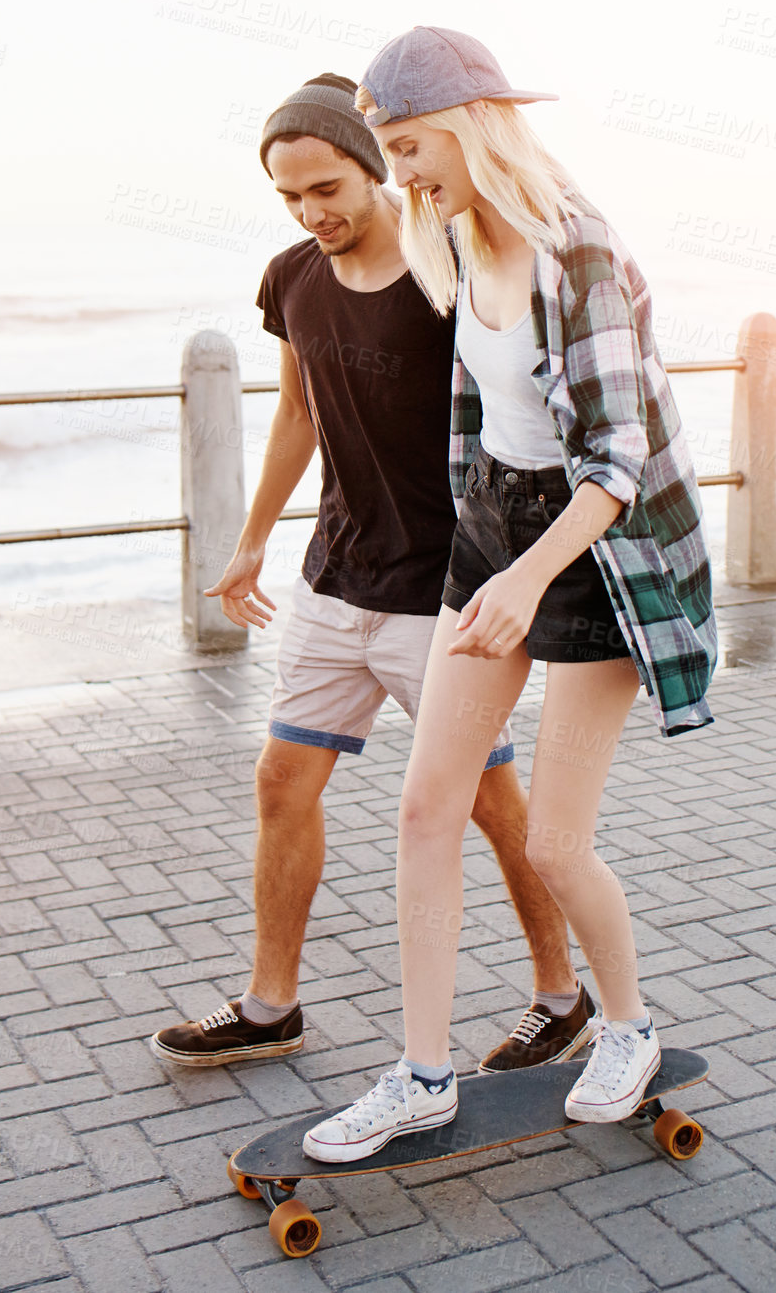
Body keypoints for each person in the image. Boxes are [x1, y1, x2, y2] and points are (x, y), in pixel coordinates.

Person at [302, 29, 717, 1162]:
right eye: (387, 150)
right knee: (425, 806)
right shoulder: (450, 233)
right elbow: (480, 417)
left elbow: (617, 462)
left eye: (408, 145)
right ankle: (421, 1073)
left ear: (472, 123)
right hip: (496, 529)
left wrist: (530, 581)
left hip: (599, 550)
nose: (400, 173)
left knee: (552, 841)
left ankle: (624, 1025)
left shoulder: (569, 248)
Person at [151, 71, 591, 1072]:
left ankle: (559, 994)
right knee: (281, 779)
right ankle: (271, 1003)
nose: (313, 214)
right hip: (333, 575)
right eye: (290, 196)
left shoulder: (448, 270)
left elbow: (523, 411)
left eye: (327, 190)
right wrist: (254, 537)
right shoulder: (291, 277)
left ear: (375, 166)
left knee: (487, 803)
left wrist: (534, 564)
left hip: (440, 588)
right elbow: (298, 412)